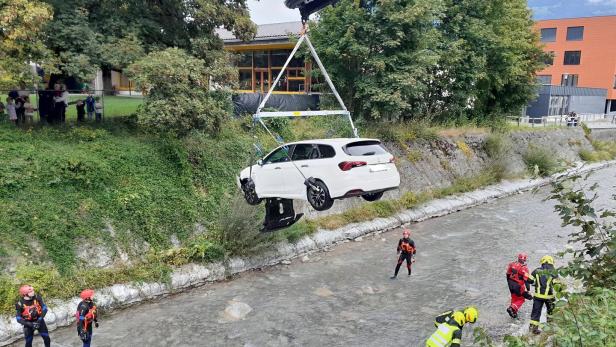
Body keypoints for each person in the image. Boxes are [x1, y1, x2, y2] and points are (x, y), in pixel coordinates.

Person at [529, 255, 561, 334]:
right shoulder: (554, 272)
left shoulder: (536, 270)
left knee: (535, 313)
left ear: (542, 262)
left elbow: (529, 280)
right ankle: (549, 330)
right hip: (549, 297)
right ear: (552, 262)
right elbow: (557, 286)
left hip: (538, 297)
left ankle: (533, 330)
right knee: (551, 313)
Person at [506, 252, 533, 318]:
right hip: (518, 285)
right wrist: (528, 290)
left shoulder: (511, 264)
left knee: (514, 297)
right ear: (525, 260)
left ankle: (514, 312)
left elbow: (507, 274)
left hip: (510, 283)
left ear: (518, 258)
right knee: (521, 299)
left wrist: (509, 283)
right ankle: (512, 308)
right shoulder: (524, 268)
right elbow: (526, 280)